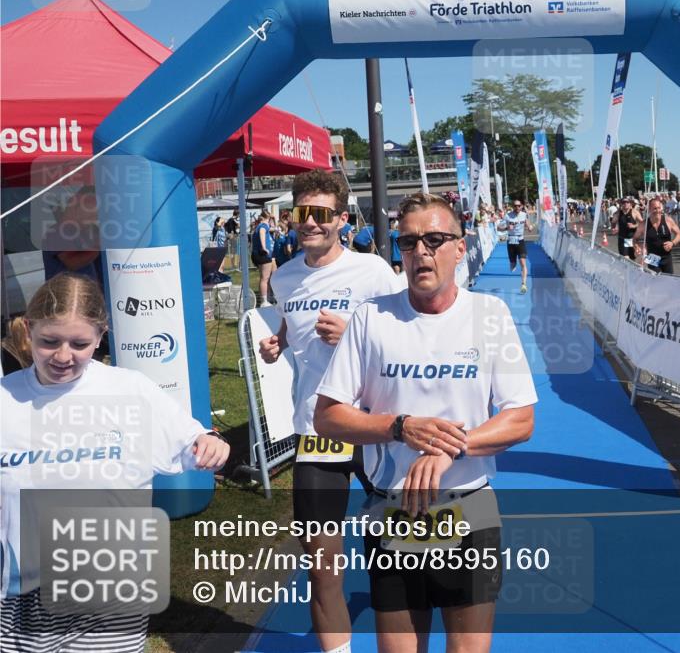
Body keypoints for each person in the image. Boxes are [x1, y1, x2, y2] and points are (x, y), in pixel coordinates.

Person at [314, 193, 536, 653]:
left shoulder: (489, 316)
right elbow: (327, 416)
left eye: (435, 239)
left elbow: (520, 418)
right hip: (393, 513)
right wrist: (399, 427)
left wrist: (450, 446)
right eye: (409, 241)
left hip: (469, 509)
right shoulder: (371, 317)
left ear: (460, 247)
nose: (421, 252)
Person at [1, 273, 229, 652]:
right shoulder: (6, 398)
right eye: (49, 341)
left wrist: (211, 442)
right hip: (20, 597)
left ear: (102, 334)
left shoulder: (131, 391)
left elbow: (192, 440)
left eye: (80, 343)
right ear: (28, 328)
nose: (62, 356)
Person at [258, 170, 398, 653]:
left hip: (376, 425)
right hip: (318, 430)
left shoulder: (374, 272)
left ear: (341, 218)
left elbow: (409, 335)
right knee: (322, 565)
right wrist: (278, 341)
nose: (311, 223)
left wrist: (358, 335)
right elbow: (290, 323)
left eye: (321, 214)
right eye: (303, 214)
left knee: (399, 559)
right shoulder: (287, 276)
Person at [634, 198, 680, 274]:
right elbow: (635, 239)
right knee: (657, 281)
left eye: (659, 208)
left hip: (666, 257)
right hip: (652, 257)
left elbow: (679, 234)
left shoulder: (668, 220)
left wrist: (672, 243)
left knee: (669, 281)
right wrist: (636, 247)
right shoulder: (644, 224)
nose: (657, 211)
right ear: (649, 209)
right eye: (654, 209)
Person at [498, 200, 533, 294]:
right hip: (511, 241)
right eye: (515, 206)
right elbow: (498, 227)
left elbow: (528, 224)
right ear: (513, 206)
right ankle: (513, 262)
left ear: (521, 206)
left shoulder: (524, 215)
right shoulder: (507, 216)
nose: (517, 207)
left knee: (523, 262)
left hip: (520, 240)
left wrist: (530, 228)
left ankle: (523, 284)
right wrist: (506, 228)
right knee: (512, 265)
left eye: (518, 206)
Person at [252, 210, 275, 306]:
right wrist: (264, 247)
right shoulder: (263, 226)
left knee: (269, 277)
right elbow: (262, 232)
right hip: (263, 254)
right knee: (265, 278)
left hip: (259, 254)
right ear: (267, 218)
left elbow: (273, 228)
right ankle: (264, 301)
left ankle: (269, 297)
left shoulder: (259, 226)